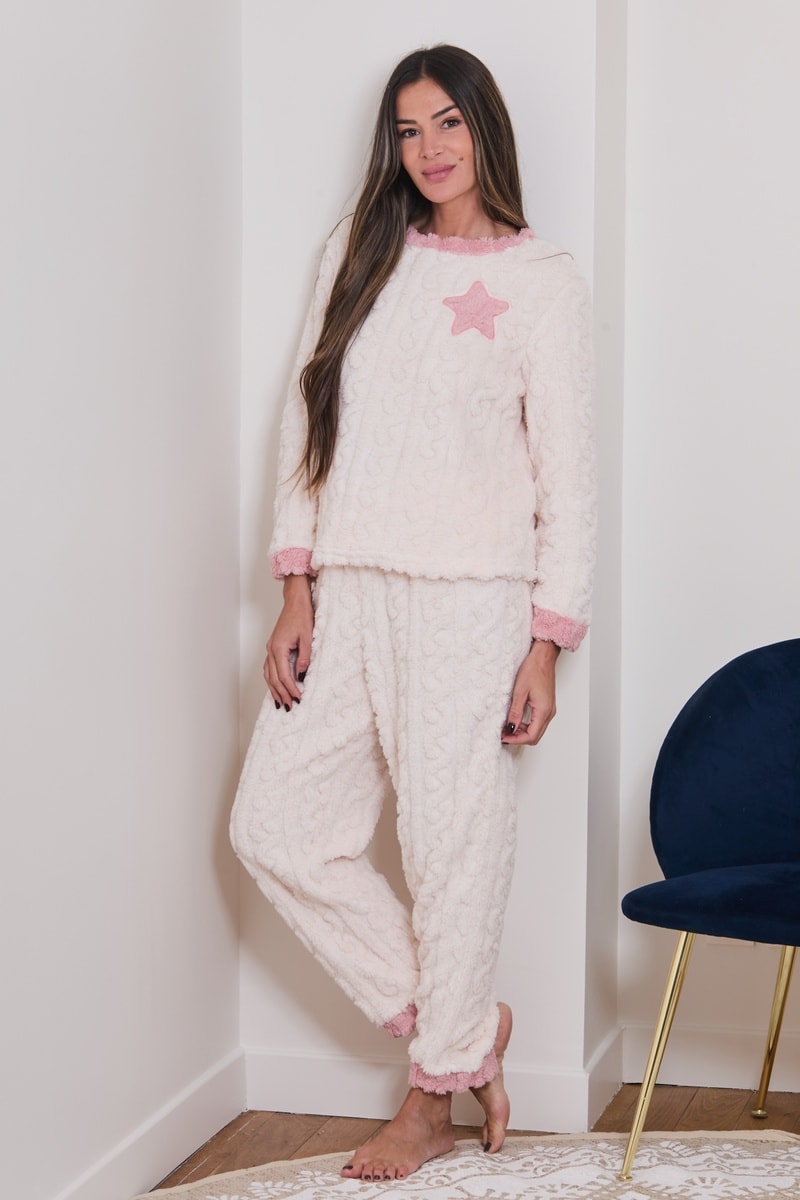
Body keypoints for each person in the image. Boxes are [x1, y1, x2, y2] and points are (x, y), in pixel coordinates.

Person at [230, 43, 596, 1183]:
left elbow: (569, 479)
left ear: (485, 128)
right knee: (275, 828)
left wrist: (546, 643)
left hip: (472, 604)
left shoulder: (542, 281)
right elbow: (308, 418)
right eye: (407, 130)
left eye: (448, 123)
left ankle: (431, 1101)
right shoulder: (360, 248)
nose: (428, 149)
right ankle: (463, 1033)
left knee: (452, 852)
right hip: (347, 587)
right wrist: (296, 583)